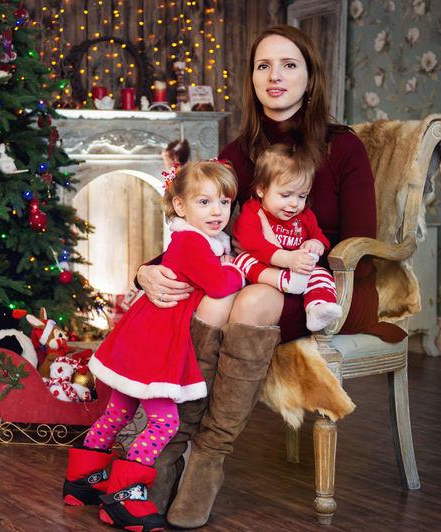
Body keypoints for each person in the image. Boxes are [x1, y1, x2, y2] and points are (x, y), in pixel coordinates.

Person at [136, 25, 407, 528]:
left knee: (248, 299)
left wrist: (297, 263)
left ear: (310, 77)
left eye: (289, 64)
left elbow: (361, 247)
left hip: (329, 287)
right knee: (216, 295)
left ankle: (208, 456)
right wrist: (146, 271)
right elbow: (201, 223)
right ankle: (173, 446)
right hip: (259, 277)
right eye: (264, 65)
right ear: (252, 78)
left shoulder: (343, 147)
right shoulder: (239, 152)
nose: (275, 75)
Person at [61, 160, 245, 532]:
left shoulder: (197, 239)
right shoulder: (191, 242)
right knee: (165, 421)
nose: (217, 211)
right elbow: (220, 285)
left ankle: (81, 480)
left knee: (119, 411)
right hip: (155, 341)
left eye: (224, 202)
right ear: (180, 206)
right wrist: (234, 268)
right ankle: (122, 497)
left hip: (143, 333)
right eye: (204, 202)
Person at [232, 143, 343, 332]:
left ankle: (316, 309)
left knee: (321, 274)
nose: (294, 204)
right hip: (264, 269)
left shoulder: (305, 216)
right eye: (285, 195)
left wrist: (315, 243)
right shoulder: (252, 211)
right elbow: (253, 243)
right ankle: (287, 282)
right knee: (243, 260)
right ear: (261, 189)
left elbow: (320, 237)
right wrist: (286, 258)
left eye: (302, 196)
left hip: (295, 270)